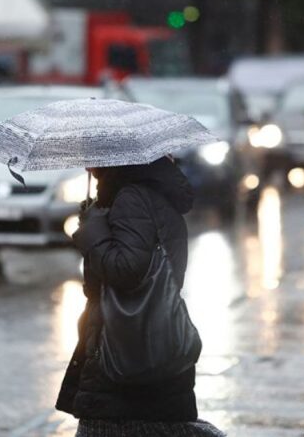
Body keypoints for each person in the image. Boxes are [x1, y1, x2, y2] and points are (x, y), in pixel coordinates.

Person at [56, 156, 225, 437]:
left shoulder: (131, 198)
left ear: (115, 161)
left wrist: (92, 233)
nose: (89, 168)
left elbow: (127, 269)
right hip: (150, 342)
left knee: (108, 426)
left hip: (125, 348)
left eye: (96, 159)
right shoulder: (150, 196)